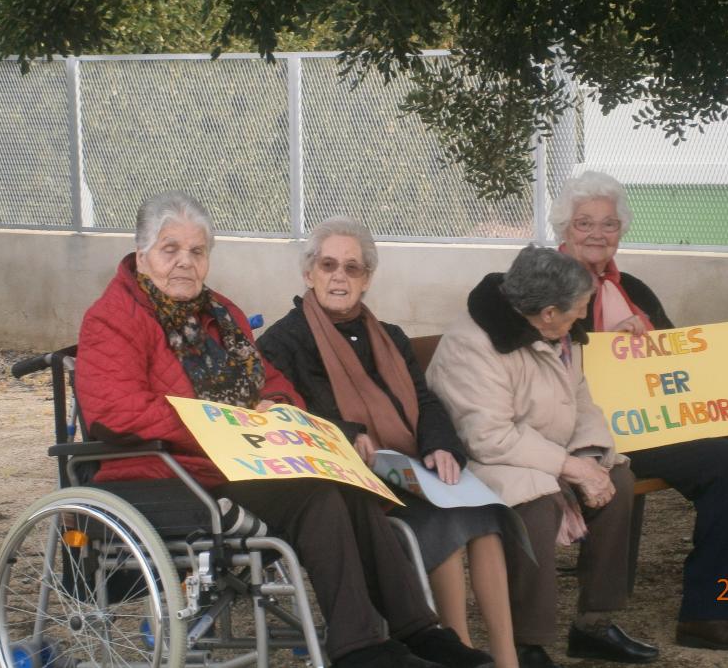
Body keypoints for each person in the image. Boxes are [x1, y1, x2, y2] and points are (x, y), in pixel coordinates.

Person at [74, 191, 492, 668]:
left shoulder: (221, 313)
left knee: (350, 483)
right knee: (315, 496)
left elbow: (270, 380)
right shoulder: (112, 319)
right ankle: (359, 648)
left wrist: (277, 406)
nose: (185, 262)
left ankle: (419, 631)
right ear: (142, 253)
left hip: (234, 463)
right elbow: (117, 410)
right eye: (171, 249)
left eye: (197, 250)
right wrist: (220, 423)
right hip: (162, 474)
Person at [551, 170, 728, 651]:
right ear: (564, 229)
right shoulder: (548, 284)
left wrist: (666, 348)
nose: (597, 233)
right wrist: (604, 346)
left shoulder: (633, 287)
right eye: (584, 223)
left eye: (609, 224)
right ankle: (707, 614)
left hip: (653, 420)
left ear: (621, 230)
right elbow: (544, 362)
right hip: (595, 433)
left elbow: (675, 359)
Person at [257, 216, 514, 668]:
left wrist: (440, 445)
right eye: (328, 265)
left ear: (367, 278)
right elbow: (292, 417)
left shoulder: (390, 336)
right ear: (309, 273)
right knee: (443, 524)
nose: (339, 276)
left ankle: (505, 656)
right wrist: (349, 432)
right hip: (351, 478)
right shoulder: (283, 342)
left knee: (484, 517)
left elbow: (424, 401)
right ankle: (452, 646)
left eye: (352, 268)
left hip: (409, 467)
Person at [426, 245, 660, 668]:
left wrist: (589, 457)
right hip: (481, 460)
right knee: (536, 503)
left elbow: (580, 398)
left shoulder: (559, 331)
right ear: (549, 312)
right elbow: (487, 436)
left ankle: (593, 624)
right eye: (578, 309)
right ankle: (527, 641)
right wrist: (568, 466)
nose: (583, 316)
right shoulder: (473, 344)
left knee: (618, 481)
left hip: (544, 449)